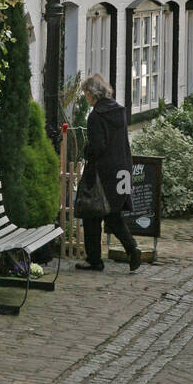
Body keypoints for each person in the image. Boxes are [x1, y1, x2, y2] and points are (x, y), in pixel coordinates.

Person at [75, 73, 142, 273]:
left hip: (102, 172)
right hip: (121, 168)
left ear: (91, 94)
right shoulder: (118, 111)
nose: (85, 97)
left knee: (92, 214)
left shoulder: (96, 116)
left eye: (86, 93)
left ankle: (94, 260)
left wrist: (85, 150)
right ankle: (132, 249)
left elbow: (98, 147)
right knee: (113, 214)